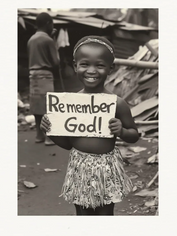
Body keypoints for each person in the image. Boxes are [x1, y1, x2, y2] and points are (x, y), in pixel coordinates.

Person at [40, 35, 139, 215]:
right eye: (85, 64)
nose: (91, 71)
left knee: (105, 213)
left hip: (106, 169)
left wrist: (122, 131)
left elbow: (134, 134)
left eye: (99, 65)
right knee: (83, 213)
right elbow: (68, 144)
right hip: (80, 167)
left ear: (111, 68)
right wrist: (50, 131)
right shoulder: (69, 104)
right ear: (75, 65)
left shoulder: (116, 103)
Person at [27, 12, 59, 145]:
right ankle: (49, 137)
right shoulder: (48, 40)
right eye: (52, 24)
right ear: (48, 24)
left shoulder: (31, 40)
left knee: (37, 106)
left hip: (33, 75)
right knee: (49, 106)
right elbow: (56, 62)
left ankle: (39, 135)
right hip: (45, 75)